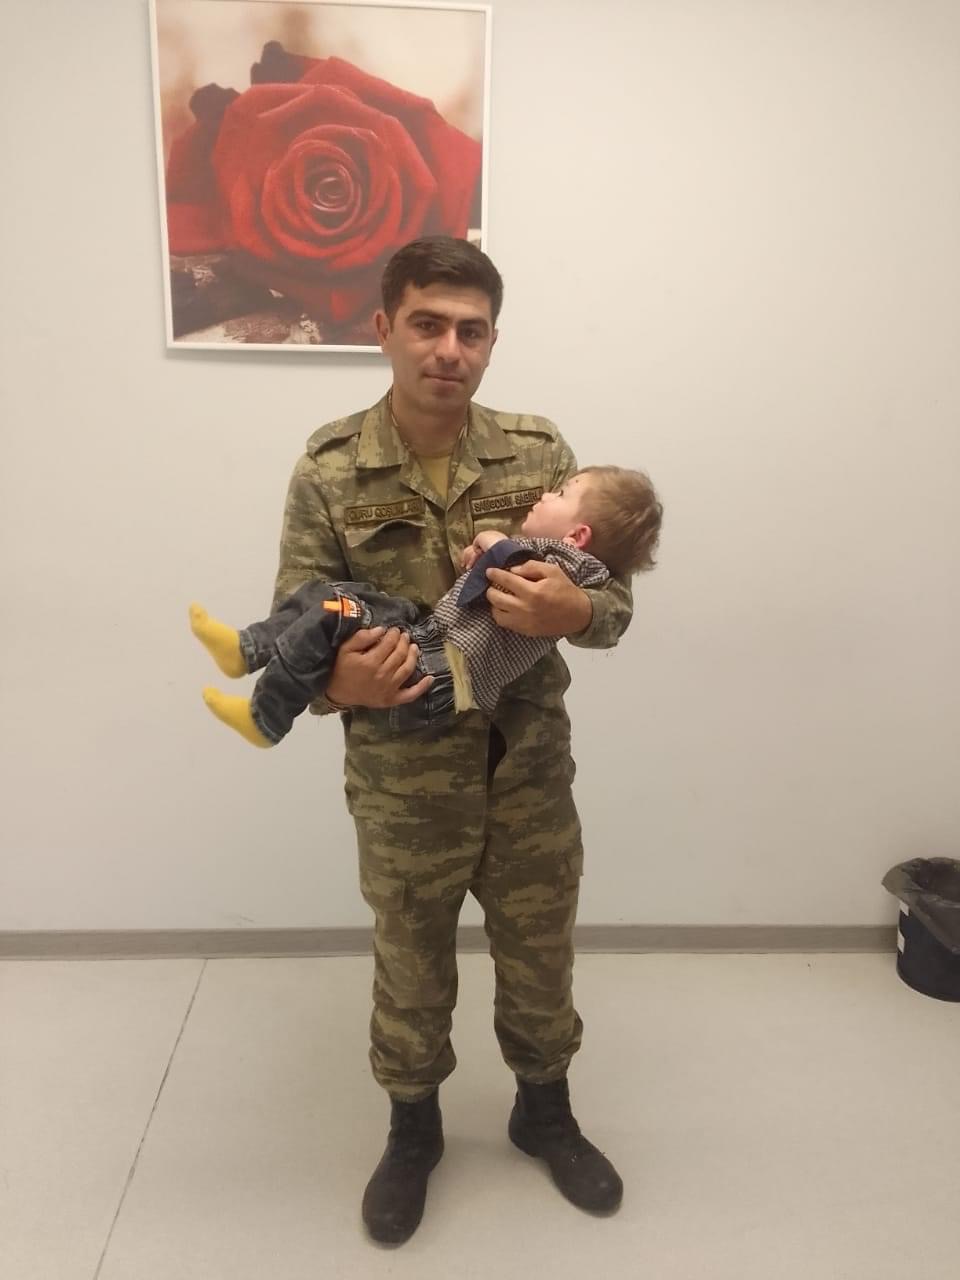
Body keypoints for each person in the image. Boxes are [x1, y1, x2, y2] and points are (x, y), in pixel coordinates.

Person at [264, 236, 647, 1245]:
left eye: (471, 331)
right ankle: (413, 1127)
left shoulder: (539, 452)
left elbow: (613, 604)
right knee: (412, 960)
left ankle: (544, 1110)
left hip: (527, 772)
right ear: (383, 328)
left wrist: (574, 610)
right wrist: (336, 684)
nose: (449, 349)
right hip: (404, 780)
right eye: (427, 324)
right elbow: (296, 620)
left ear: (491, 342)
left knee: (539, 952)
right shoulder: (330, 467)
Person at [190, 466, 661, 748]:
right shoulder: (327, 464)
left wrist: (494, 542)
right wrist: (337, 686)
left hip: (441, 674)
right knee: (324, 594)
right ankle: (246, 648)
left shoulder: (571, 561)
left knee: (334, 612)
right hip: (424, 643)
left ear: (578, 535)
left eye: (560, 494)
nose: (545, 494)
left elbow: (601, 603)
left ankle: (265, 719)